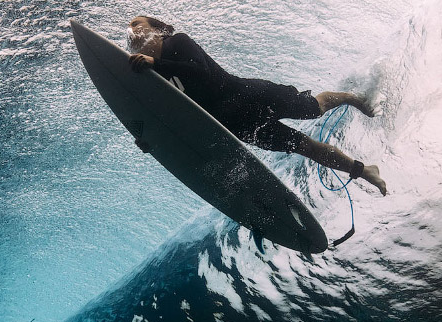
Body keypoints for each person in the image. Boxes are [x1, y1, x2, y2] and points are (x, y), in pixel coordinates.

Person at [126, 16, 387, 195]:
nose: (132, 30)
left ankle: (351, 98)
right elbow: (168, 118)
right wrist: (151, 141)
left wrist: (153, 63)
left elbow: (200, 72)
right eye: (129, 30)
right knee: (305, 148)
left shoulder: (177, 42)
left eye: (137, 24)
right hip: (237, 127)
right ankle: (364, 171)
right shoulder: (153, 80)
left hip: (250, 95)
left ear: (157, 29)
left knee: (312, 109)